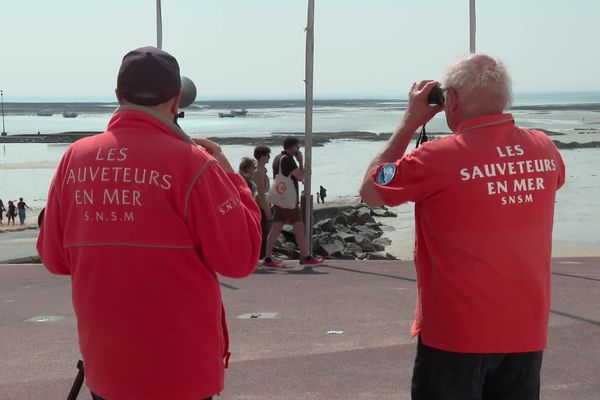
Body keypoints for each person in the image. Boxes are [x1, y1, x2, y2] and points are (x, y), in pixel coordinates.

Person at [37, 46, 261, 400]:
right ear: (175, 102)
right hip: (182, 373)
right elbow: (240, 257)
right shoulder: (194, 164)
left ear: (118, 96)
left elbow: (54, 259)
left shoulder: (74, 160)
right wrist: (229, 175)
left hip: (107, 369)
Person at [360, 54, 565, 400]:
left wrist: (410, 122)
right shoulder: (545, 148)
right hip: (526, 330)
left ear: (450, 100)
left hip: (456, 334)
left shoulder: (437, 158)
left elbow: (371, 191)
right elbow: (551, 179)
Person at [262, 137, 323, 268]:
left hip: (279, 198)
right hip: (289, 201)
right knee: (299, 227)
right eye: (297, 147)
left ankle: (267, 258)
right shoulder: (289, 160)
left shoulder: (277, 158)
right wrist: (300, 161)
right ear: (292, 147)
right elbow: (301, 177)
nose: (298, 150)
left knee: (276, 228)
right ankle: (306, 257)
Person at [250, 145, 272, 260]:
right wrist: (268, 211)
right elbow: (261, 195)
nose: (269, 157)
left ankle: (265, 257)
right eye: (267, 155)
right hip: (260, 208)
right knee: (263, 235)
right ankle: (263, 259)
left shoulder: (261, 171)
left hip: (261, 207)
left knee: (264, 234)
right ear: (262, 156)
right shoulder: (258, 172)